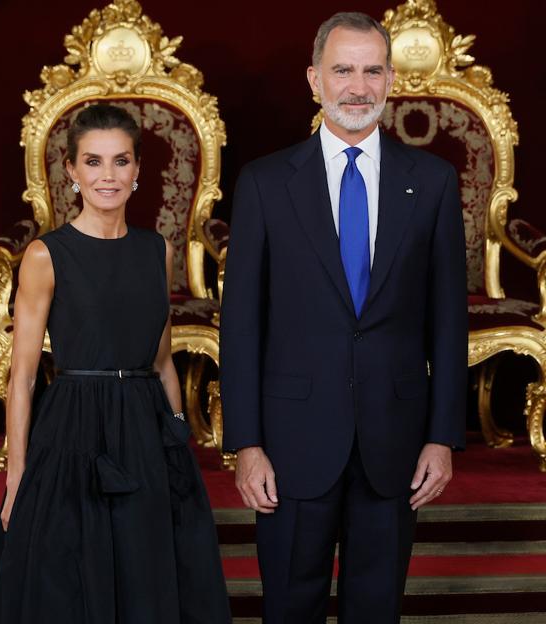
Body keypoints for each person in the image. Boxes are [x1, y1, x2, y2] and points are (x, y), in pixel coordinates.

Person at [220, 12, 467, 624]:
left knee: (376, 609)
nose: (358, 86)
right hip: (292, 442)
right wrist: (246, 444)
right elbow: (242, 326)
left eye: (372, 70)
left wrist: (442, 436)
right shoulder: (265, 183)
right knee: (290, 607)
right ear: (314, 79)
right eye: (342, 70)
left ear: (389, 80)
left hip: (396, 442)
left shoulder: (432, 182)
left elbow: (448, 321)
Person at [0, 103, 231, 623]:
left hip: (144, 428)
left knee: (148, 572)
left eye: (120, 161)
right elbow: (23, 375)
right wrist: (16, 476)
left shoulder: (155, 250)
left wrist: (176, 435)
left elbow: (162, 359)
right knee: (70, 578)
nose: (108, 176)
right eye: (93, 162)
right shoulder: (46, 256)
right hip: (73, 427)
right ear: (71, 170)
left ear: (138, 169)